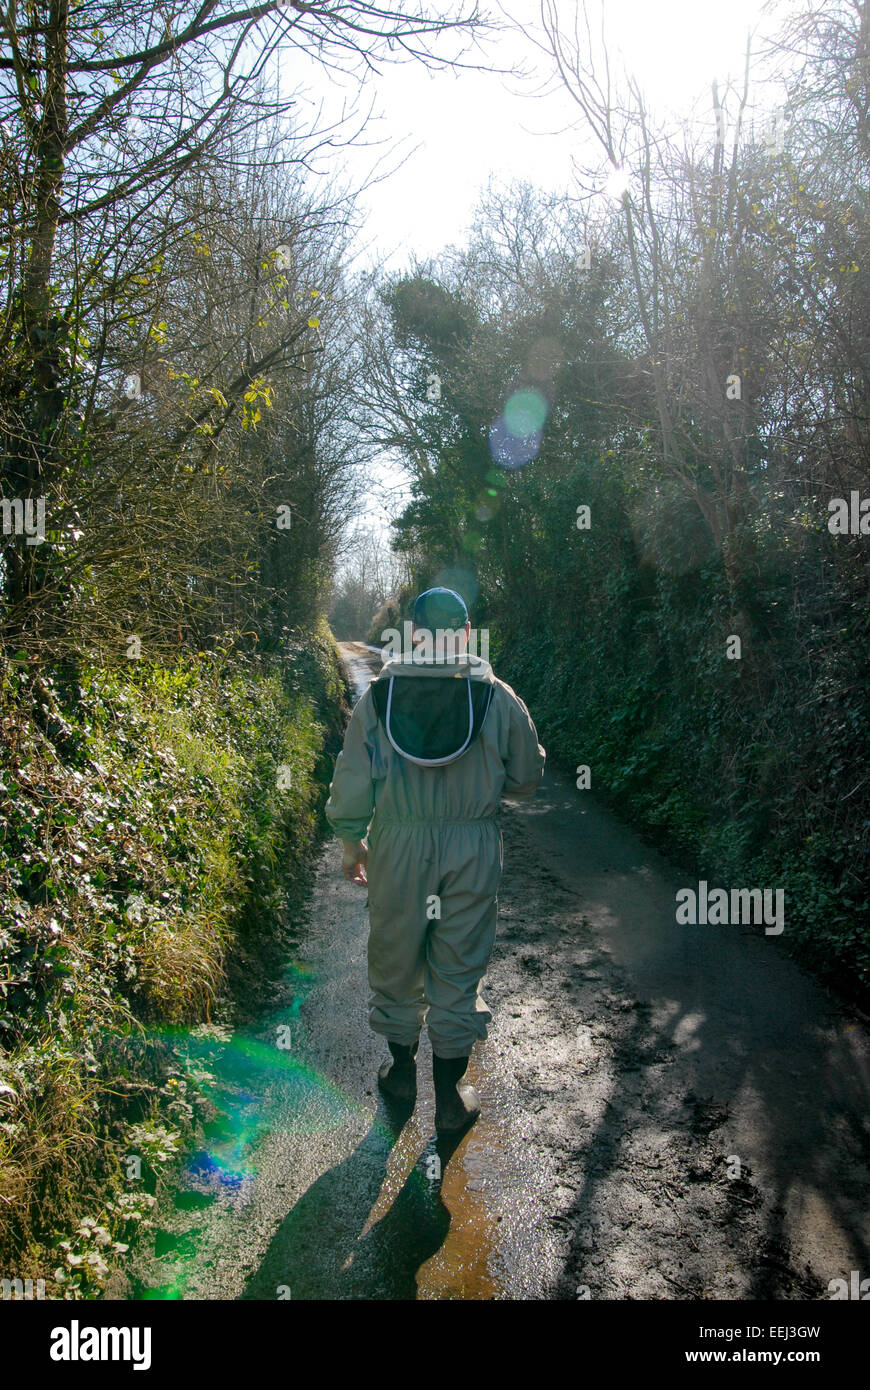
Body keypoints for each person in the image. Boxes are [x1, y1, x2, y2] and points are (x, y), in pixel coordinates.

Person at [325, 587, 546, 1133]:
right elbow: (525, 781)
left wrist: (353, 840)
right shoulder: (497, 697)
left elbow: (353, 777)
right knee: (459, 964)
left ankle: (401, 1077)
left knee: (397, 954)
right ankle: (450, 1099)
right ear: (467, 633)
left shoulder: (379, 698)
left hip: (398, 845)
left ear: (415, 633)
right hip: (472, 847)